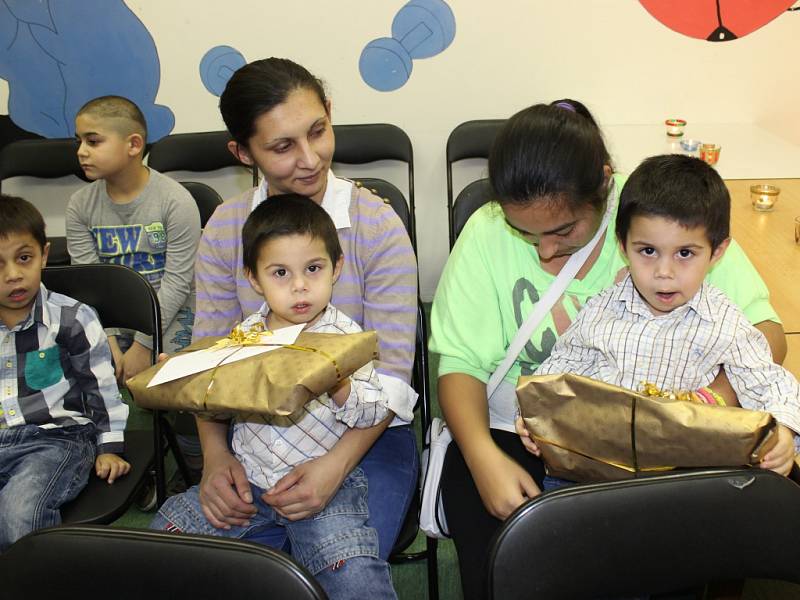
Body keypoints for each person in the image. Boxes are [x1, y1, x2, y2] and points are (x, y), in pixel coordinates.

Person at [428, 100, 788, 600]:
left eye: (562, 231)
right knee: (511, 564)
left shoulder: (660, 222)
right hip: (517, 430)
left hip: (661, 439)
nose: (546, 252)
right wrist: (482, 456)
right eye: (524, 233)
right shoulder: (486, 231)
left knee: (661, 557)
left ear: (604, 188)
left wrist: (707, 401)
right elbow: (461, 364)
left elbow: (764, 334)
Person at [191, 58, 418, 560]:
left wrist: (335, 466)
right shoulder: (226, 230)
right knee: (199, 567)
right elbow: (208, 361)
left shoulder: (376, 227)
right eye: (282, 147)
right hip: (255, 438)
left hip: (369, 438)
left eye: (318, 131)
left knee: (338, 567)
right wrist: (215, 455)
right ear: (241, 151)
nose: (311, 159)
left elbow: (396, 378)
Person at [153, 194, 396, 598]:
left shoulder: (347, 340)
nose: (300, 286)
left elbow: (373, 411)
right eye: (280, 272)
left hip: (325, 488)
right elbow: (216, 396)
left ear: (336, 268)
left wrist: (337, 381)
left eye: (313, 269)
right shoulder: (245, 337)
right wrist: (182, 376)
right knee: (167, 533)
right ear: (254, 278)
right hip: (248, 481)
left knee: (351, 572)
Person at [517, 154, 800, 483]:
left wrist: (783, 430)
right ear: (623, 245)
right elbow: (560, 366)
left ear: (717, 252)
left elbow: (771, 382)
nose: (664, 273)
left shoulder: (724, 321)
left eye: (685, 253)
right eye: (648, 251)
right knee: (557, 516)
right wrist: (533, 412)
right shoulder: (602, 310)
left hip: (685, 475)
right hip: (599, 467)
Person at [0, 194, 130, 552]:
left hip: (56, 439)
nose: (13, 275)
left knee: (18, 515)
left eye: (23, 258)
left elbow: (101, 388)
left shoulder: (72, 318)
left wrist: (109, 446)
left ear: (43, 254)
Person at [66, 95, 201, 381]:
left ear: (134, 145)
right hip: (111, 320)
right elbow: (89, 287)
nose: (81, 151)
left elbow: (177, 283)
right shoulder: (79, 205)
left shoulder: (176, 201)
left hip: (170, 314)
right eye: (78, 141)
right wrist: (107, 341)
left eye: (93, 141)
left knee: (165, 380)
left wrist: (144, 344)